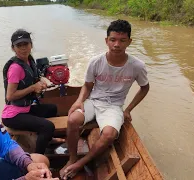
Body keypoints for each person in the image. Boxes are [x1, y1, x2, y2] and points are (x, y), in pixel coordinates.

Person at [60, 19, 150, 179]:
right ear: (106, 40)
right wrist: (79, 100)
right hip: (93, 101)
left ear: (129, 42)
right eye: (113, 39)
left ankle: (81, 163)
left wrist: (128, 109)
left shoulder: (137, 66)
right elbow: (87, 85)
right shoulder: (96, 62)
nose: (117, 44)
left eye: (122, 40)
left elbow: (145, 88)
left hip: (114, 106)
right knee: (73, 120)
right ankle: (72, 158)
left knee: (109, 134)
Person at [1, 29, 63, 155]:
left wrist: (42, 82)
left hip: (25, 108)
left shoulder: (29, 60)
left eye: (26, 44)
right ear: (13, 48)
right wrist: (33, 88)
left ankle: (47, 140)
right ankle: (37, 159)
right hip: (12, 115)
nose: (23, 48)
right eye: (19, 46)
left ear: (31, 45)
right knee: (48, 126)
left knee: (52, 109)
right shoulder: (15, 68)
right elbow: (10, 95)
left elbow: (34, 77)